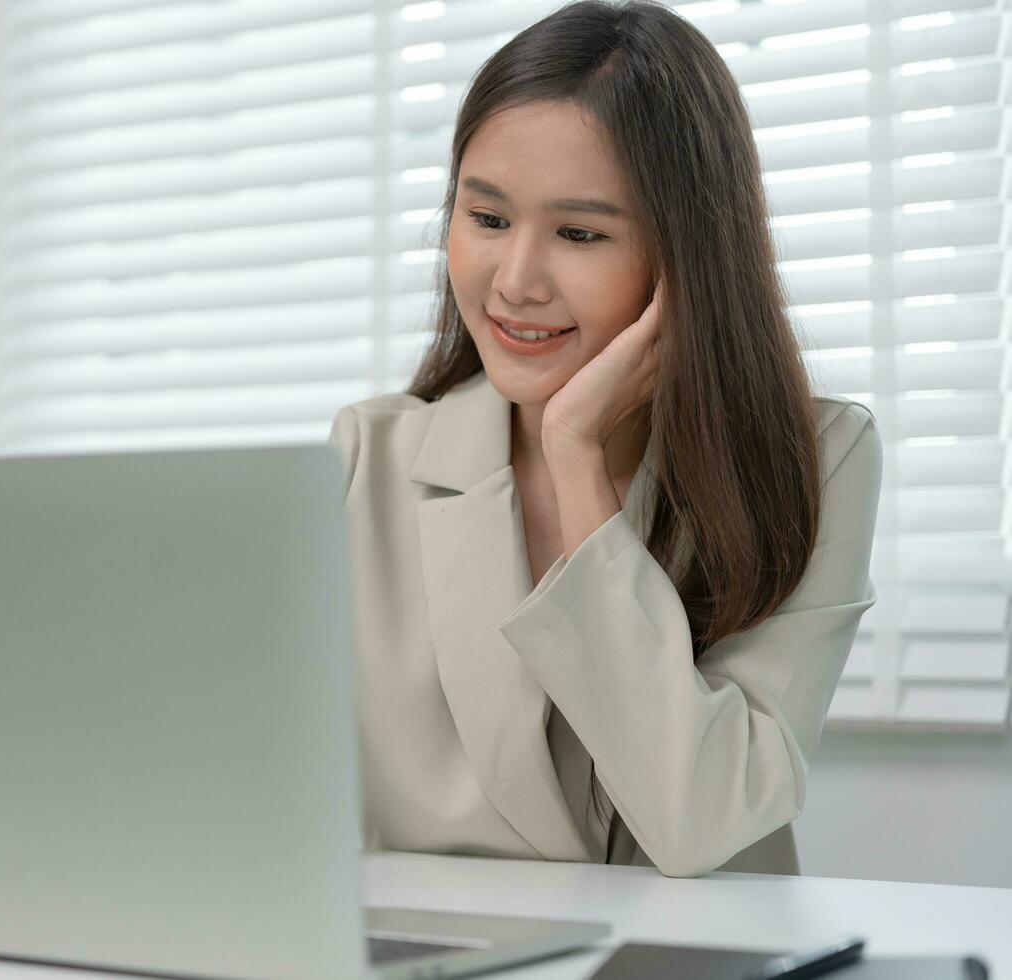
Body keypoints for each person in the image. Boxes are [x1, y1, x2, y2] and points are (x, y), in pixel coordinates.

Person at [327, 0, 881, 878]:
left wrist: (575, 454)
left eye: (579, 234)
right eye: (487, 219)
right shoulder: (366, 463)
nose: (515, 282)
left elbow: (700, 821)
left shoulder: (818, 456)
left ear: (687, 260)